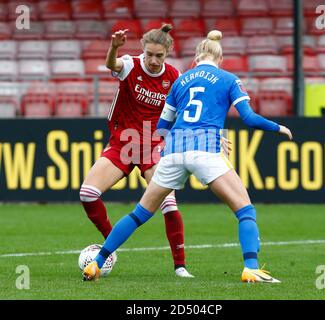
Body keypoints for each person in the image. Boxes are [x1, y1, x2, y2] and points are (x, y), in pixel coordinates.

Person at [82, 30, 293, 283]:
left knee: (139, 213)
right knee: (245, 210)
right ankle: (251, 267)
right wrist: (278, 128)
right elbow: (248, 118)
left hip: (172, 150)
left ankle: (97, 263)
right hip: (203, 148)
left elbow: (163, 125)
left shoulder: (181, 81)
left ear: (196, 56)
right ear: (220, 57)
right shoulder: (228, 79)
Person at [79, 24, 193, 277]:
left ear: (167, 53)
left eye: (159, 55)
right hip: (123, 143)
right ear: (143, 50)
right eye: (149, 54)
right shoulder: (130, 64)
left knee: (169, 204)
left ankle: (180, 266)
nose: (153, 60)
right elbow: (112, 65)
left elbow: (185, 111)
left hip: (154, 147)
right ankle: (111, 242)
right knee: (87, 193)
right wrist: (114, 48)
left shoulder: (174, 77)